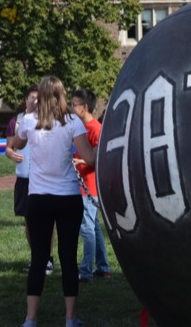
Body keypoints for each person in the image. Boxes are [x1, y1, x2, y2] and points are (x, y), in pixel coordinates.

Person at [14, 75, 96, 327]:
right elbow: (90, 159)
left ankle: (30, 318)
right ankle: (70, 318)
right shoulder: (72, 121)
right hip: (68, 197)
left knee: (39, 257)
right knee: (68, 257)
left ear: (40, 95)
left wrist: (28, 115)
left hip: (38, 198)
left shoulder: (29, 120)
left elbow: (16, 144)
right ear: (62, 95)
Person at [6, 85, 55, 274]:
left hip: (43, 178)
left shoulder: (49, 120)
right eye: (32, 97)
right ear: (26, 99)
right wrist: (11, 154)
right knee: (29, 220)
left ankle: (48, 258)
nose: (35, 101)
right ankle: (36, 256)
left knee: (47, 220)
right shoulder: (17, 121)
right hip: (24, 177)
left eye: (38, 98)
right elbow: (10, 146)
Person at [70, 88, 111, 283]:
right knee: (93, 228)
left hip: (89, 187)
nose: (70, 107)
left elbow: (96, 159)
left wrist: (79, 162)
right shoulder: (79, 128)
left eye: (74, 104)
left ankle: (86, 271)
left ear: (84, 107)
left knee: (86, 228)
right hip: (83, 186)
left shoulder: (95, 129)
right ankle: (103, 267)